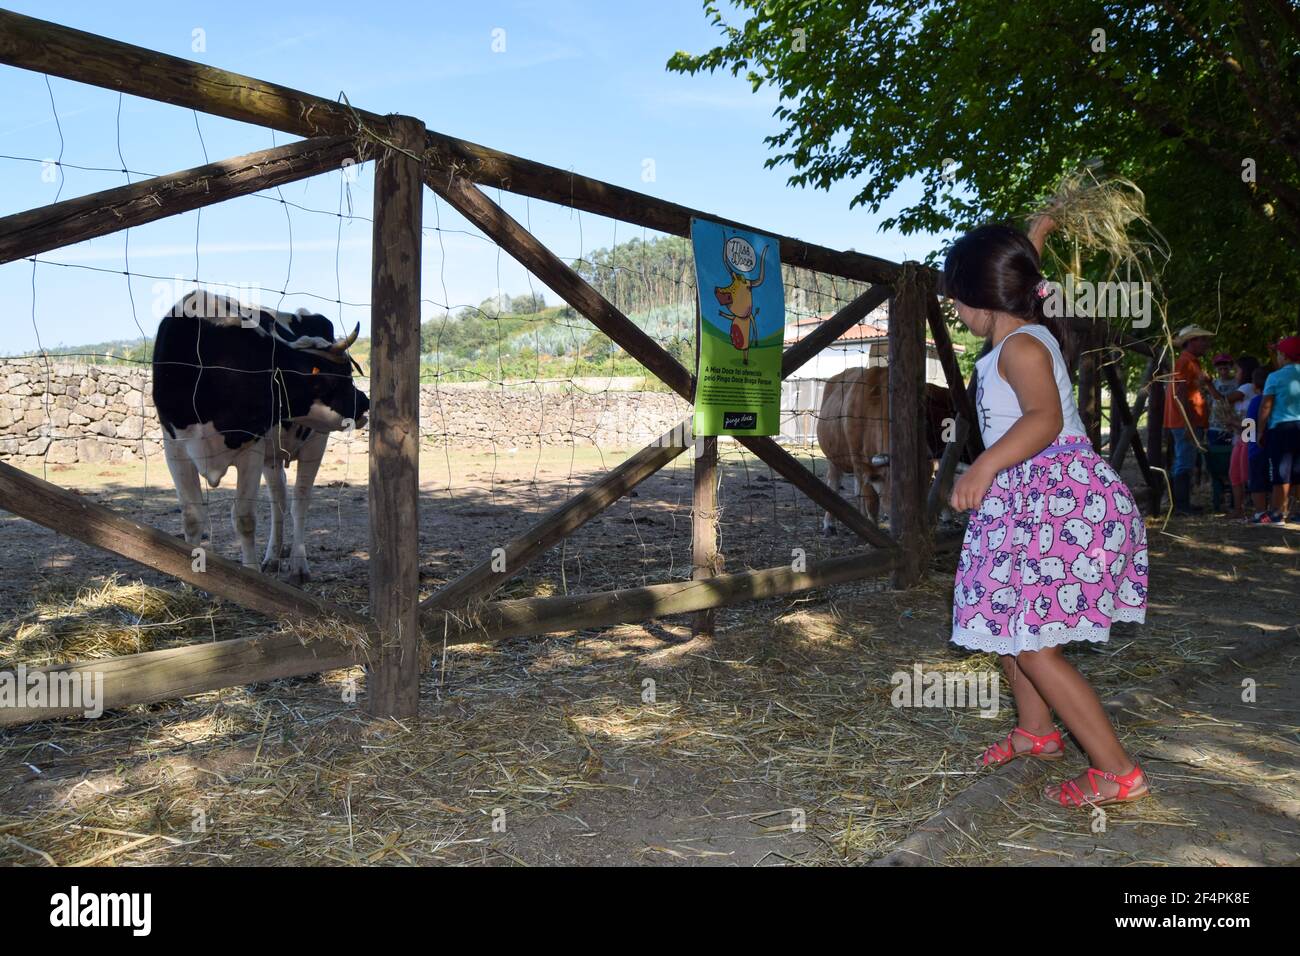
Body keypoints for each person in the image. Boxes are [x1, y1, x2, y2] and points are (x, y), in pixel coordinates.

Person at [945, 220, 1150, 809]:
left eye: (957, 299)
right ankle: (1036, 734)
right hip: (1031, 502)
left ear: (981, 300)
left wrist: (982, 467)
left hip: (1058, 505)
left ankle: (1116, 771)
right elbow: (1015, 280)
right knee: (1010, 622)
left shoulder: (1024, 346)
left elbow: (1044, 419)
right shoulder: (1016, 332)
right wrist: (1035, 233)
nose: (955, 310)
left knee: (1034, 644)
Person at [1165, 325, 1215, 514]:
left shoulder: (1191, 362)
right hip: (1185, 422)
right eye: (1203, 340)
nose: (1206, 344)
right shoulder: (1185, 362)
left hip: (1188, 421)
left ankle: (1182, 504)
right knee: (1184, 462)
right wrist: (1188, 422)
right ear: (1192, 341)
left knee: (1185, 461)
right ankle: (1181, 507)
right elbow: (1180, 393)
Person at [1259, 335, 1300, 523]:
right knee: (1298, 471)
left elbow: (1266, 406)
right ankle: (1296, 512)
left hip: (1282, 428)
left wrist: (1259, 431)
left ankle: (1277, 512)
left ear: (1284, 355)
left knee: (1281, 471)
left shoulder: (1274, 377)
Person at [1205, 353, 1240, 513]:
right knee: (1216, 464)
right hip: (1215, 428)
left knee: (1232, 464)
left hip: (1231, 429)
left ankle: (1235, 498)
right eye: (1220, 367)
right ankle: (1218, 498)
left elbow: (1221, 399)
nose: (1223, 370)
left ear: (1231, 367)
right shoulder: (1214, 383)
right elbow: (1210, 404)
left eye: (1226, 367)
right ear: (1216, 369)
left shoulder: (1236, 384)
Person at [1228, 355, 1261, 519]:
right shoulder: (1247, 389)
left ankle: (1256, 509)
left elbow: (1224, 400)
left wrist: (1208, 385)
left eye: (1237, 369)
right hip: (1241, 438)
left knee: (1246, 474)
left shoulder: (1247, 388)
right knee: (1236, 473)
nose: (1235, 373)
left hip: (1248, 437)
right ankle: (1239, 509)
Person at [1245, 367, 1275, 523]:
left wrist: (1247, 441)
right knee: (1274, 480)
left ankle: (1260, 513)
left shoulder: (1256, 401)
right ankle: (1275, 511)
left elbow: (1249, 424)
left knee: (1258, 482)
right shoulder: (1277, 400)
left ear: (1254, 385)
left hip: (1256, 449)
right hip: (1275, 448)